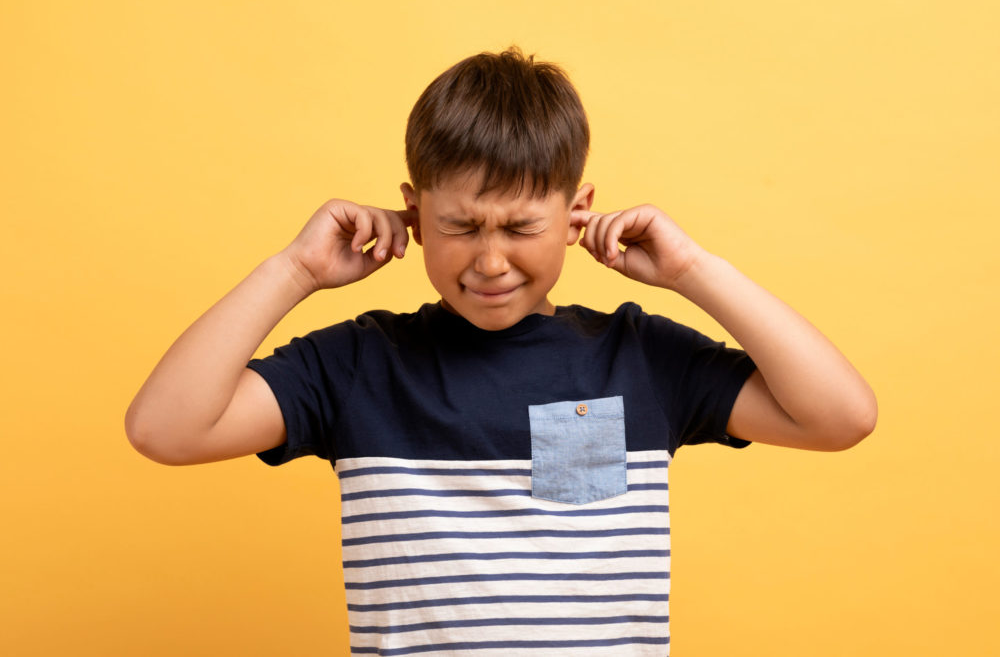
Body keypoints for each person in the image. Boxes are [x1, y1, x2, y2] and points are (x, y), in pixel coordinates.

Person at [125, 47, 876, 656]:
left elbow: (841, 415)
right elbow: (165, 428)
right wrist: (294, 270)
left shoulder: (639, 357)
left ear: (577, 214)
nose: (490, 261)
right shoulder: (358, 365)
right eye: (461, 226)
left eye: (519, 228)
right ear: (413, 212)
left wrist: (691, 270)